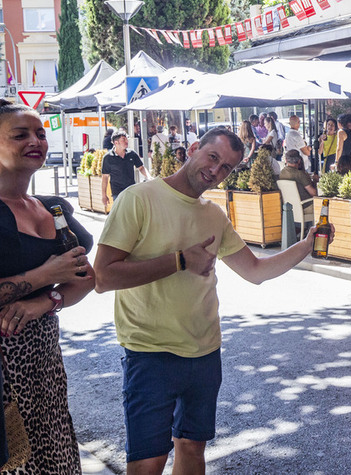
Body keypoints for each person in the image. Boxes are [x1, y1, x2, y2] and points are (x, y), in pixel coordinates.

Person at [93, 128, 323, 475]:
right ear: (194, 148)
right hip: (150, 354)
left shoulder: (214, 214)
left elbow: (255, 271)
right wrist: (180, 260)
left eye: (227, 167)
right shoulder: (139, 198)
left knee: (192, 449)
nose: (216, 171)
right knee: (147, 462)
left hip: (204, 354)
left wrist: (306, 246)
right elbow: (102, 276)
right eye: (212, 157)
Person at [0, 99, 96, 475]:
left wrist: (47, 300)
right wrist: (44, 275)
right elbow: (60, 270)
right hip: (5, 373)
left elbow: (86, 278)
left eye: (40, 133)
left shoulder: (53, 209)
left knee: (55, 456)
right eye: (19, 134)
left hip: (44, 367)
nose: (35, 140)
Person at [102, 130, 149, 208]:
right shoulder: (108, 158)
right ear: (116, 143)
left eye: (126, 139)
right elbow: (105, 178)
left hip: (131, 191)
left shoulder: (132, 154)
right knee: (120, 216)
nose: (126, 141)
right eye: (123, 139)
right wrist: (104, 195)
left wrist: (148, 176)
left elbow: (141, 168)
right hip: (117, 193)